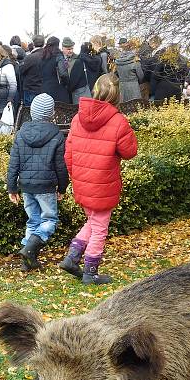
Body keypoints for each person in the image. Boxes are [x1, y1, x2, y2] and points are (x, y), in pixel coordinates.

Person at [59, 73, 137, 284]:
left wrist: (75, 175)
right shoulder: (118, 121)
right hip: (104, 183)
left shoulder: (77, 118)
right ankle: (90, 272)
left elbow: (69, 152)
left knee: (93, 222)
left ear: (95, 90)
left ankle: (72, 259)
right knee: (100, 228)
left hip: (82, 181)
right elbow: (130, 151)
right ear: (117, 95)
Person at [6, 93, 68, 271]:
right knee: (49, 220)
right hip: (46, 186)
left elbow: (13, 163)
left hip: (26, 186)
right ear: (51, 114)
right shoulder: (56, 135)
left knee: (32, 221)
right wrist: (62, 188)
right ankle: (30, 249)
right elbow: (60, 166)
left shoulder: (21, 133)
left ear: (32, 112)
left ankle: (27, 260)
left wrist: (12, 187)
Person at [115, 38, 144, 102]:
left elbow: (116, 73)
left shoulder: (118, 62)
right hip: (134, 87)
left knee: (122, 106)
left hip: (122, 86)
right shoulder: (135, 62)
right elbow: (141, 76)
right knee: (135, 105)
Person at [19, 35, 45, 106]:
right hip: (45, 90)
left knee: (29, 113)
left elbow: (21, 71)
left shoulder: (30, 58)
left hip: (31, 90)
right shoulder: (48, 56)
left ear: (33, 44)